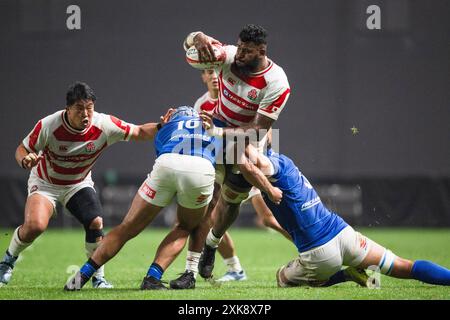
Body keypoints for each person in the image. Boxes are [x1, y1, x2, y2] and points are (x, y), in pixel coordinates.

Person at [64, 106, 283, 291]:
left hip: (166, 163)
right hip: (200, 170)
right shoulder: (215, 124)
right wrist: (268, 188)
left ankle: (80, 278)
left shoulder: (168, 125)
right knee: (185, 226)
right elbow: (242, 159)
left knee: (127, 227)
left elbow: (159, 150)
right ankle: (152, 277)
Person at [0, 81, 168, 289]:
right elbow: (22, 149)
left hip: (78, 184)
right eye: (79, 109)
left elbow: (140, 132)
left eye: (89, 108)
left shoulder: (104, 124)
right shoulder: (49, 125)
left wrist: (161, 126)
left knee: (96, 222)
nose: (86, 114)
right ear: (68, 109)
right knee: (35, 226)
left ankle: (99, 278)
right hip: (46, 183)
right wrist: (25, 160)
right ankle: (8, 261)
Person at [233, 143, 450, 288]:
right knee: (405, 266)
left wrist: (223, 130)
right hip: (343, 233)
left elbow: (245, 156)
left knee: (281, 278)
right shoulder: (285, 161)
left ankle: (346, 275)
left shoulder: (268, 165)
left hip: (319, 254)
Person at [183, 24, 291, 283]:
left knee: (232, 202)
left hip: (250, 142)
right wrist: (196, 37)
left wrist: (219, 133)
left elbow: (257, 131)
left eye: (247, 51)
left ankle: (213, 242)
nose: (240, 54)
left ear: (261, 51)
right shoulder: (229, 55)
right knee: (203, 202)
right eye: (239, 47)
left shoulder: (277, 82)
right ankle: (189, 271)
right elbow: (189, 52)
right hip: (217, 131)